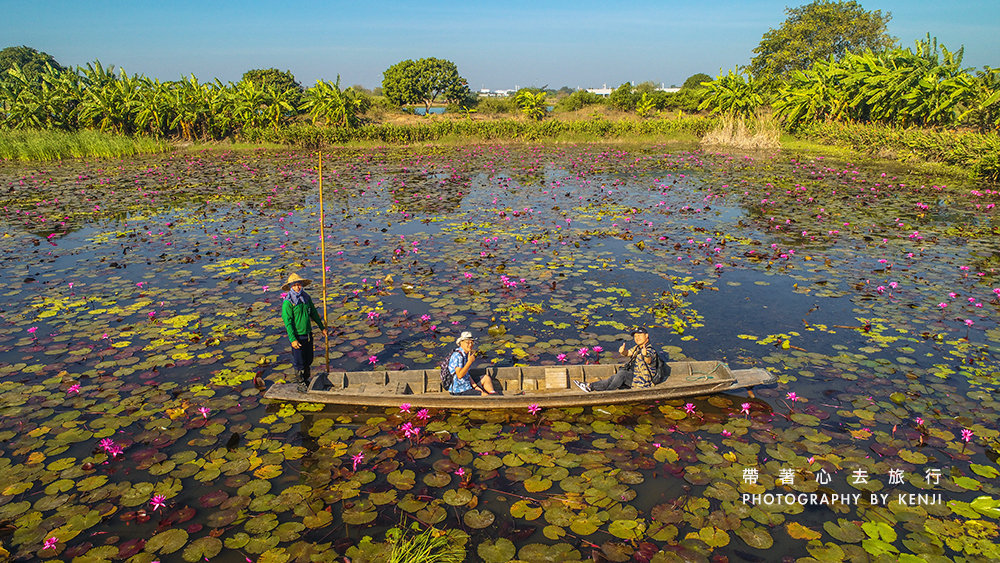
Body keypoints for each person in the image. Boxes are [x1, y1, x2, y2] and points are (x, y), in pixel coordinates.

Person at [281, 273, 327, 391]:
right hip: (298, 337)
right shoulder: (288, 303)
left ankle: (306, 380)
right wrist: (293, 339)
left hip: (308, 335)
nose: (297, 287)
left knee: (308, 359)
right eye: (295, 285)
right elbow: (288, 322)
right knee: (299, 361)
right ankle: (301, 383)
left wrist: (322, 327)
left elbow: (314, 313)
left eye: (299, 285)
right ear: (291, 287)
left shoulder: (306, 298)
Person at [574, 327, 656, 392]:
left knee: (621, 374)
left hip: (642, 381)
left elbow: (648, 361)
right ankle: (590, 386)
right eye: (635, 336)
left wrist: (646, 355)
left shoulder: (650, 350)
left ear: (646, 336)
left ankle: (609, 393)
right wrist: (623, 352)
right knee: (613, 378)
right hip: (634, 375)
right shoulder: (637, 348)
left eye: (639, 336)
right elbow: (629, 353)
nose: (637, 338)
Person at [448, 331, 499, 396]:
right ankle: (492, 400)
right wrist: (470, 362)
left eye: (472, 342)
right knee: (484, 395)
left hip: (467, 384)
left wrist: (475, 386)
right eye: (467, 342)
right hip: (459, 390)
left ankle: (493, 394)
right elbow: (460, 375)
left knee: (486, 378)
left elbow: (467, 375)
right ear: (461, 342)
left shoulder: (466, 355)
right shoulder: (457, 356)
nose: (470, 345)